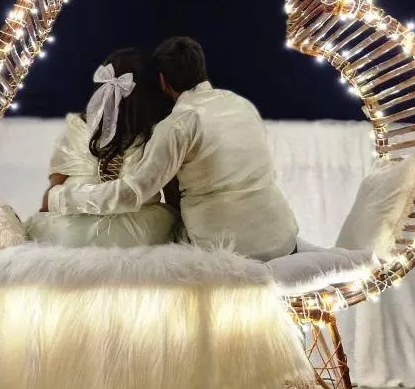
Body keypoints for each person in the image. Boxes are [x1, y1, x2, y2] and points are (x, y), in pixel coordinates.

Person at [46, 36, 298, 261]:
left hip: (221, 247)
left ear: (162, 81)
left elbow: (132, 193)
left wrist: (60, 197)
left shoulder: (176, 125)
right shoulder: (242, 105)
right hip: (282, 238)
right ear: (202, 68)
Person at [28, 48, 179, 248]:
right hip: (137, 232)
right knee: (165, 222)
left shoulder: (78, 128)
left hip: (74, 231)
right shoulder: (158, 133)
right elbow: (172, 195)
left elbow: (53, 193)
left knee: (60, 227)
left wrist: (53, 202)